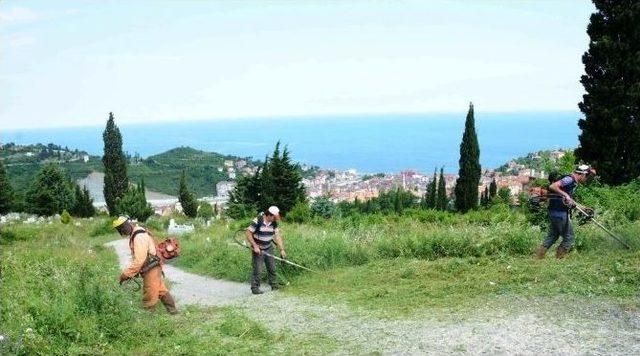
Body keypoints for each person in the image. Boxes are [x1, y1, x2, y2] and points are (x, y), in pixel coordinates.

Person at [113, 216, 178, 314]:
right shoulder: (136, 233)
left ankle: (148, 318)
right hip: (152, 266)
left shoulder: (138, 237)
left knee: (149, 294)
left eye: (122, 227)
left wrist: (126, 274)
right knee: (161, 290)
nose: (122, 230)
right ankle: (173, 312)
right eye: (120, 229)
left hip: (151, 267)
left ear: (128, 224)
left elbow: (139, 260)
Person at [535, 164, 596, 259]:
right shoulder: (569, 179)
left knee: (553, 235)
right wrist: (565, 195)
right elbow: (553, 186)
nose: (586, 180)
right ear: (583, 174)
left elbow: (568, 199)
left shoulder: (572, 182)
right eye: (587, 177)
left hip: (554, 211)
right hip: (559, 212)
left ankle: (537, 256)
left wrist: (582, 207)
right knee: (569, 237)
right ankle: (559, 260)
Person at [245, 206, 287, 294]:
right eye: (274, 218)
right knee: (258, 269)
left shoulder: (274, 223)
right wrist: (255, 246)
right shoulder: (258, 221)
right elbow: (248, 233)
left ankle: (274, 285)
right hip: (258, 248)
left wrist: (282, 249)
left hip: (268, 247)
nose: (275, 220)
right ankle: (255, 288)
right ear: (269, 215)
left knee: (272, 268)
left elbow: (277, 236)